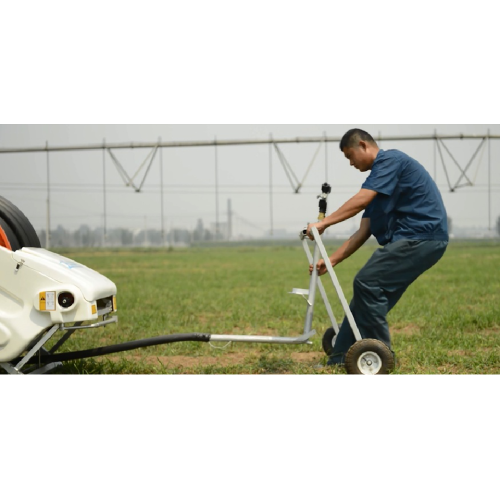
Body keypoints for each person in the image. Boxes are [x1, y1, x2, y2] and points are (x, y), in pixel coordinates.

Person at [307, 129, 448, 365]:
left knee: (367, 282)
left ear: (363, 145)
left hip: (421, 237)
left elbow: (361, 199)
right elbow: (363, 231)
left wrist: (324, 223)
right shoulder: (380, 184)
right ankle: (340, 358)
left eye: (350, 156)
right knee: (365, 297)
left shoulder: (390, 161)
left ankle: (382, 360)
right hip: (416, 240)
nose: (351, 164)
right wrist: (331, 260)